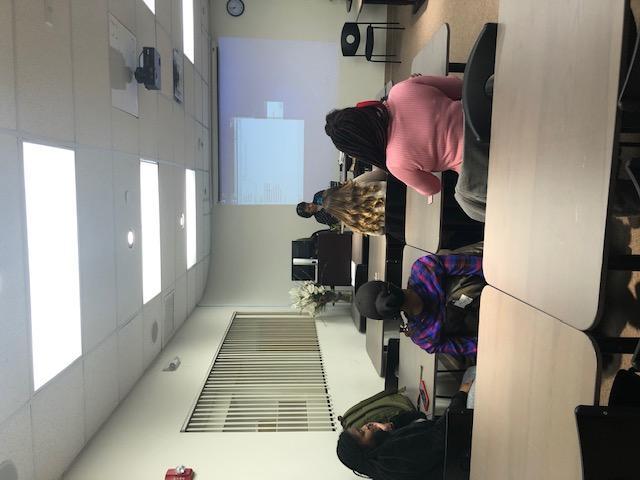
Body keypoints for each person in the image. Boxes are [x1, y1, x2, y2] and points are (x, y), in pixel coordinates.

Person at [325, 75, 488, 222]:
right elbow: (458, 86)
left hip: (483, 160)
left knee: (464, 199)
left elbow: (433, 187)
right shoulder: (400, 90)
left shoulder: (396, 163)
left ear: (361, 150)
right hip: (485, 113)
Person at [336, 381, 474, 480]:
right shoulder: (390, 456)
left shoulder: (382, 449)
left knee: (471, 376)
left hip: (458, 440)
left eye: (360, 428)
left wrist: (392, 424)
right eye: (362, 433)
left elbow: (418, 416)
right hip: (465, 451)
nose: (365, 427)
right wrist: (460, 395)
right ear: (363, 451)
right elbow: (443, 434)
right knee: (472, 377)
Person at [355, 253, 485, 356]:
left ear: (388, 317)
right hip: (493, 282)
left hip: (490, 329)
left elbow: (476, 347)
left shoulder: (423, 337)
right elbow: (481, 266)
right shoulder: (423, 269)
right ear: (389, 283)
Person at [296, 179, 386, 236]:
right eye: (309, 208)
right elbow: (335, 222)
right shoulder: (320, 218)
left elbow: (380, 232)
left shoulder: (317, 196)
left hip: (352, 205)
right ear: (310, 214)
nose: (310, 205)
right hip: (351, 209)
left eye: (308, 204)